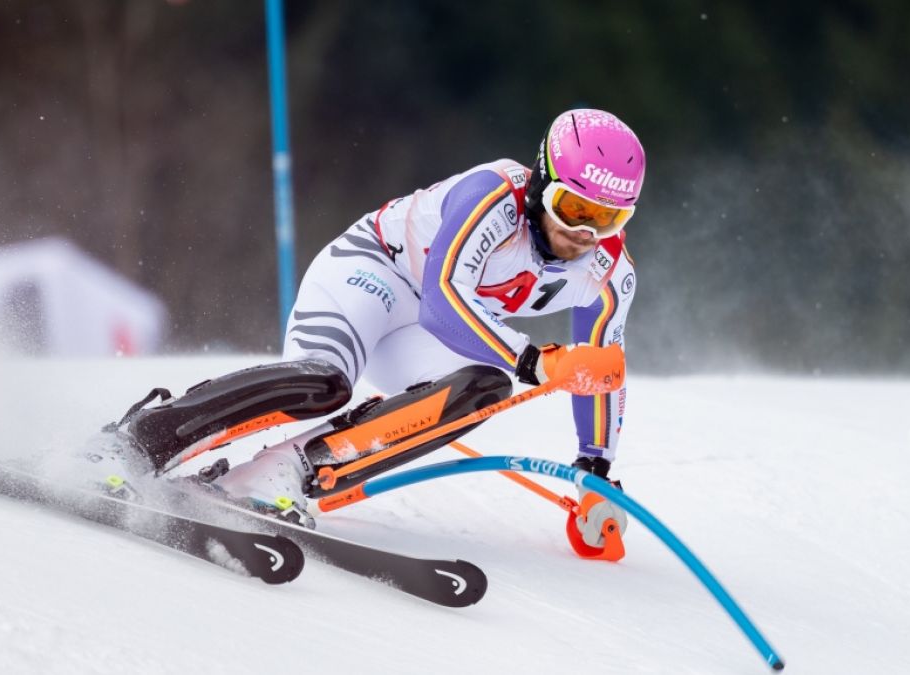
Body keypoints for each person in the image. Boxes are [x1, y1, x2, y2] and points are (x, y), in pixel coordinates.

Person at [104, 108, 643, 548]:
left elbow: (601, 373)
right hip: (372, 276)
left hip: (426, 336)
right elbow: (441, 300)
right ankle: (135, 444)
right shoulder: (493, 196)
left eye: (609, 218)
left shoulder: (610, 274)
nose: (585, 233)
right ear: (542, 182)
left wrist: (595, 471)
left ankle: (274, 475)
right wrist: (537, 360)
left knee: (484, 389)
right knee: (324, 384)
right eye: (573, 208)